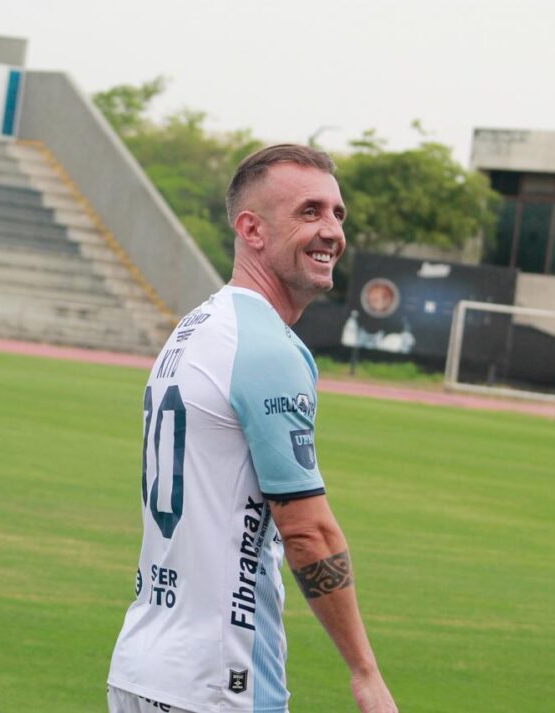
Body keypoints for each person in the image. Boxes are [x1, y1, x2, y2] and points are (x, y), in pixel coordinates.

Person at [108, 145, 397, 713]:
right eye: (309, 211)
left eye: (337, 213)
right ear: (251, 229)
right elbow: (308, 533)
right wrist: (365, 672)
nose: (332, 230)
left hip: (145, 666)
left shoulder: (196, 327)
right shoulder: (266, 348)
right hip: (219, 683)